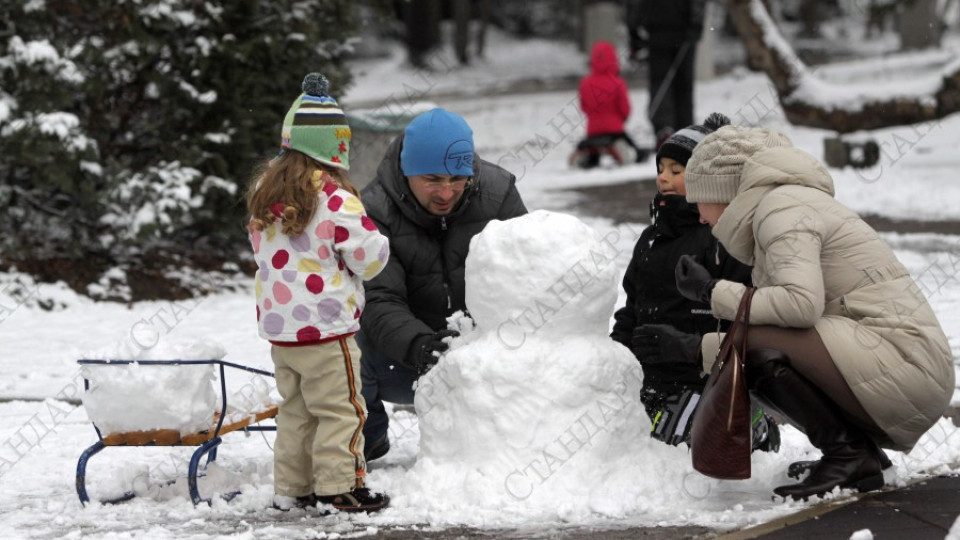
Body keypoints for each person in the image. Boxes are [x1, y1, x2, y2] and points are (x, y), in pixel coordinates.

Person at [676, 125, 954, 500]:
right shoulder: (785, 205)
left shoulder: (782, 210)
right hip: (901, 364)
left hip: (907, 368)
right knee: (740, 346)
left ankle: (848, 453)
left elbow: (799, 306)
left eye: (699, 200)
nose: (699, 216)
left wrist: (710, 291)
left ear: (722, 191)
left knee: (747, 348)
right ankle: (857, 452)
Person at [246, 73, 391, 513]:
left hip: (282, 332)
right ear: (336, 147)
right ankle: (340, 485)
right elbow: (371, 256)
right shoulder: (334, 199)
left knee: (296, 412)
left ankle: (292, 488)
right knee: (342, 410)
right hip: (327, 330)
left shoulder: (262, 193)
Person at [358, 107, 528, 461]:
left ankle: (516, 435)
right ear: (407, 172)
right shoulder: (375, 210)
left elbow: (528, 274)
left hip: (489, 357)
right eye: (432, 179)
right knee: (348, 346)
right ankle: (368, 436)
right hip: (409, 358)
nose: (446, 192)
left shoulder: (498, 194)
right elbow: (379, 297)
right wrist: (419, 345)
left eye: (457, 179)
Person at [610, 112, 779, 452]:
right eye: (660, 169)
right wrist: (616, 352)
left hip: (703, 374)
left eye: (676, 171)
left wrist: (686, 345)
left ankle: (754, 423)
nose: (663, 179)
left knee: (690, 446)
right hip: (651, 373)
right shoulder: (650, 239)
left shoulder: (723, 237)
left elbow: (743, 316)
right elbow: (632, 305)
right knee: (630, 439)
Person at [626, 0, 706, 148]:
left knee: (661, 82)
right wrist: (697, 23)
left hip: (658, 28)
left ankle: (665, 128)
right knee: (682, 85)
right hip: (681, 28)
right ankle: (683, 130)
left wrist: (633, 29)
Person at [573, 40, 643, 168]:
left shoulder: (585, 83)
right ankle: (623, 151)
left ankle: (590, 155)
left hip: (592, 129)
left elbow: (583, 106)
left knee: (592, 145)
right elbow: (625, 108)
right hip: (615, 129)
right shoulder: (618, 83)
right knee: (628, 143)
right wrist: (621, 119)